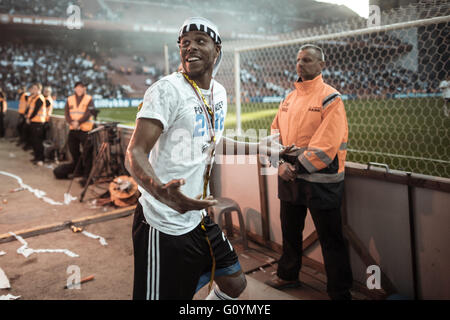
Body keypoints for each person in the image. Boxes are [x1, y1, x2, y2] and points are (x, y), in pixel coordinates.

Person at [125, 17, 253, 301]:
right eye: (184, 43)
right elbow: (134, 153)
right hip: (163, 222)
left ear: (217, 50)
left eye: (200, 41)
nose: (190, 48)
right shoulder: (166, 90)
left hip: (197, 217)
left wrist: (261, 148)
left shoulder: (218, 92)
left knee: (235, 283)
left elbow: (207, 143)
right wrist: (163, 193)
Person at [265, 44, 353, 300]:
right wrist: (277, 163)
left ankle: (339, 291)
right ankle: (288, 275)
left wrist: (295, 167)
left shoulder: (331, 97)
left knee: (331, 239)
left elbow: (328, 143)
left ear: (321, 65)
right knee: (290, 234)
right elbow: (273, 134)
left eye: (307, 60)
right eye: (298, 60)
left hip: (321, 181)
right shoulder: (288, 98)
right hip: (290, 177)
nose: (300, 64)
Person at [64, 81, 95, 183]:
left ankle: (87, 175)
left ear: (84, 89)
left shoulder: (89, 99)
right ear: (74, 89)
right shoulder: (70, 99)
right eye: (77, 87)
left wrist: (78, 122)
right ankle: (79, 171)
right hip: (73, 129)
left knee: (87, 154)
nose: (79, 89)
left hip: (85, 130)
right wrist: (72, 123)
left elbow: (89, 113)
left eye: (81, 87)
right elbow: (67, 114)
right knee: (73, 150)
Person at [26, 83, 47, 165]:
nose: (33, 90)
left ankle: (40, 159)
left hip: (38, 123)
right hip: (34, 122)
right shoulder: (34, 98)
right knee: (34, 141)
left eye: (35, 89)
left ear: (39, 90)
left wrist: (29, 118)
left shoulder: (40, 98)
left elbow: (35, 111)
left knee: (38, 142)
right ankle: (36, 157)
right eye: (33, 88)